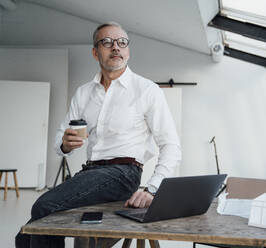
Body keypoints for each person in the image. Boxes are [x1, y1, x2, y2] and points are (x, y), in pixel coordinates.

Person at [15, 21, 181, 248]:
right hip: (90, 172)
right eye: (107, 42)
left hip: (124, 172)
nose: (116, 47)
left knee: (43, 207)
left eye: (122, 42)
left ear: (128, 51)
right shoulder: (83, 93)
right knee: (23, 236)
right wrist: (65, 144)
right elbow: (59, 140)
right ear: (95, 52)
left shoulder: (147, 90)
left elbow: (171, 145)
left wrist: (152, 188)